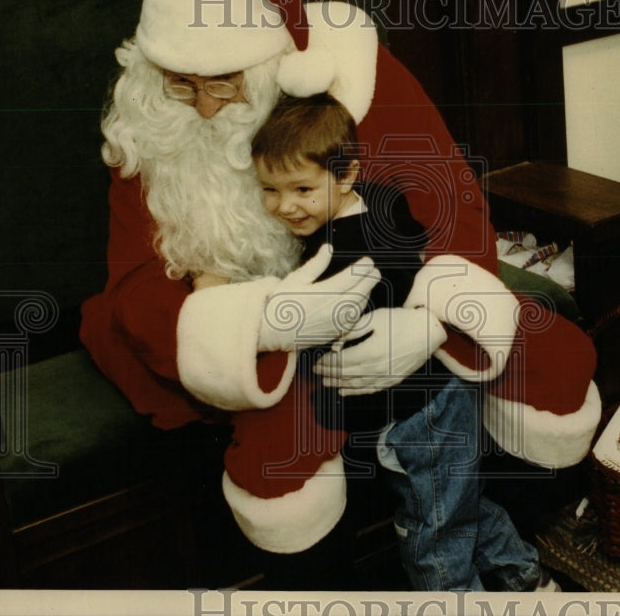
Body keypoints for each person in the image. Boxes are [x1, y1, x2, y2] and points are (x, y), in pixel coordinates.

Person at [79, 0, 602, 588]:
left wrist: (430, 323)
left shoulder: (357, 82)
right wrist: (267, 323)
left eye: (224, 82)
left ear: (276, 63)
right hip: (267, 352)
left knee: (539, 358)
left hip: (394, 304)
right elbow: (133, 290)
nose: (205, 107)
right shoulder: (150, 126)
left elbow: (453, 208)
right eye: (182, 83)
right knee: (283, 453)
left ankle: (500, 558)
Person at [220, 93, 555, 591]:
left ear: (345, 176)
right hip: (444, 398)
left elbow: (326, 336)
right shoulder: (379, 199)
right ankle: (526, 578)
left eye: (301, 189)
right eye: (269, 189)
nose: (284, 205)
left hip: (417, 420)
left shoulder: (338, 259)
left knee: (431, 536)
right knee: (458, 508)